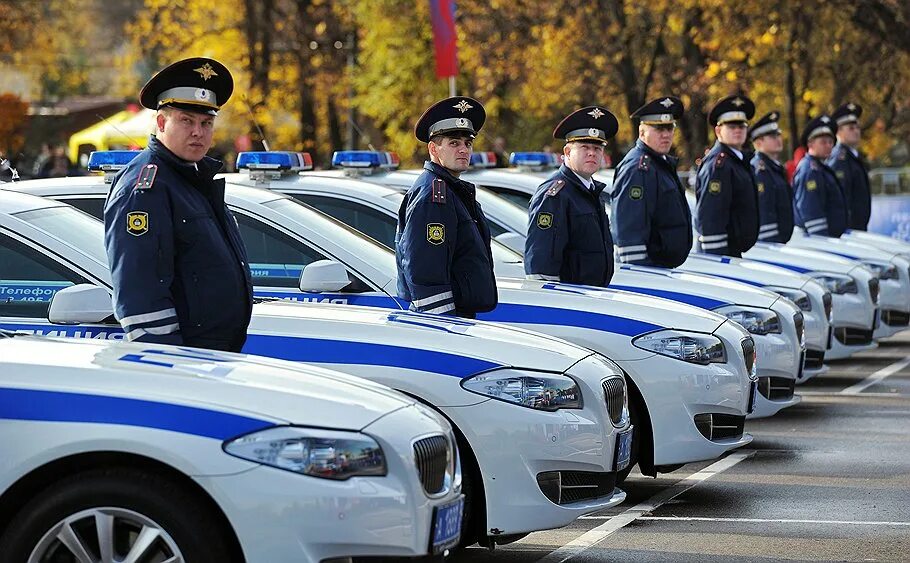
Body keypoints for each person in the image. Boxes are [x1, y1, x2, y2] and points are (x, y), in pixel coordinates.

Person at [103, 57, 253, 351]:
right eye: (186, 120)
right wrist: (168, 362)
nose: (198, 131)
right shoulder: (147, 187)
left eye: (206, 122)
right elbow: (139, 289)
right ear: (161, 122)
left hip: (210, 354)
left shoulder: (190, 178)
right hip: (184, 359)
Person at [396, 96, 497, 318]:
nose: (463, 149)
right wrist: (444, 326)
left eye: (467, 143)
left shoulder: (451, 190)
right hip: (446, 320)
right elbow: (425, 269)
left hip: (459, 315)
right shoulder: (434, 196)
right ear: (434, 148)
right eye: (454, 143)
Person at [525, 106, 618, 285]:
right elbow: (542, 269)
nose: (592, 152)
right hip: (572, 302)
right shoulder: (555, 195)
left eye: (597, 148)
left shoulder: (590, 191)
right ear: (567, 152)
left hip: (592, 297)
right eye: (584, 147)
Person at [611, 96, 692, 267]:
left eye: (669, 128)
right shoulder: (639, 169)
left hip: (661, 267)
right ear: (642, 132)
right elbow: (630, 231)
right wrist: (641, 276)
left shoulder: (659, 164)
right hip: (648, 270)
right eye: (658, 129)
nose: (666, 135)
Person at [694, 95, 760, 257]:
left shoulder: (737, 160)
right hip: (720, 254)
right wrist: (717, 258)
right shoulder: (719, 165)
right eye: (731, 126)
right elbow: (710, 216)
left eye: (742, 126)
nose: (737, 130)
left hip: (732, 250)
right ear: (718, 131)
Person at [792, 115, 848, 237]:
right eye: (823, 142)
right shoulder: (810, 170)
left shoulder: (821, 167)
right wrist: (821, 238)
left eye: (830, 142)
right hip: (819, 240)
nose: (828, 146)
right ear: (810, 144)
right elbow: (810, 209)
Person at [749, 111, 795, 243]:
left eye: (778, 135)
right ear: (758, 143)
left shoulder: (774, 168)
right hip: (769, 243)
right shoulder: (760, 170)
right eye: (772, 136)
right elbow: (764, 210)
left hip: (780, 240)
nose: (778, 139)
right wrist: (771, 242)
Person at [828, 102, 871, 230]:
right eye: (851, 128)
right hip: (849, 228)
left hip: (857, 227)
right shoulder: (840, 159)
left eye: (857, 127)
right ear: (838, 131)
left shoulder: (853, 157)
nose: (856, 131)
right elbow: (841, 199)